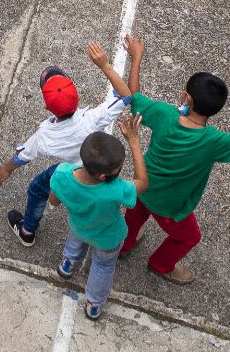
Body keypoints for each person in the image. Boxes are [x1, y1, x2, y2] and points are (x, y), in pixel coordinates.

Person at [119, 71, 230, 284]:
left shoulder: (164, 113)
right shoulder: (214, 141)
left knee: (134, 217)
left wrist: (136, 57)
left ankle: (125, 245)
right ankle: (160, 265)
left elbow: (134, 96)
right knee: (189, 237)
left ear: (187, 98)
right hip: (171, 205)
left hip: (142, 186)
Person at [0, 37, 139, 247]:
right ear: (77, 98)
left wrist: (6, 169)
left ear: (47, 108)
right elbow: (126, 96)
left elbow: (23, 155)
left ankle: (27, 231)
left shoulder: (44, 134)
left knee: (37, 189)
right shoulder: (92, 119)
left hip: (66, 170)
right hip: (91, 166)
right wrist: (105, 65)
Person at [51, 114, 148, 322]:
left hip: (78, 226)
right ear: (104, 176)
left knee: (76, 241)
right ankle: (94, 304)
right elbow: (142, 182)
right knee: (103, 266)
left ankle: (68, 264)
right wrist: (133, 140)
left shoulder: (62, 173)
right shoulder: (116, 190)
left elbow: (53, 201)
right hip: (108, 238)